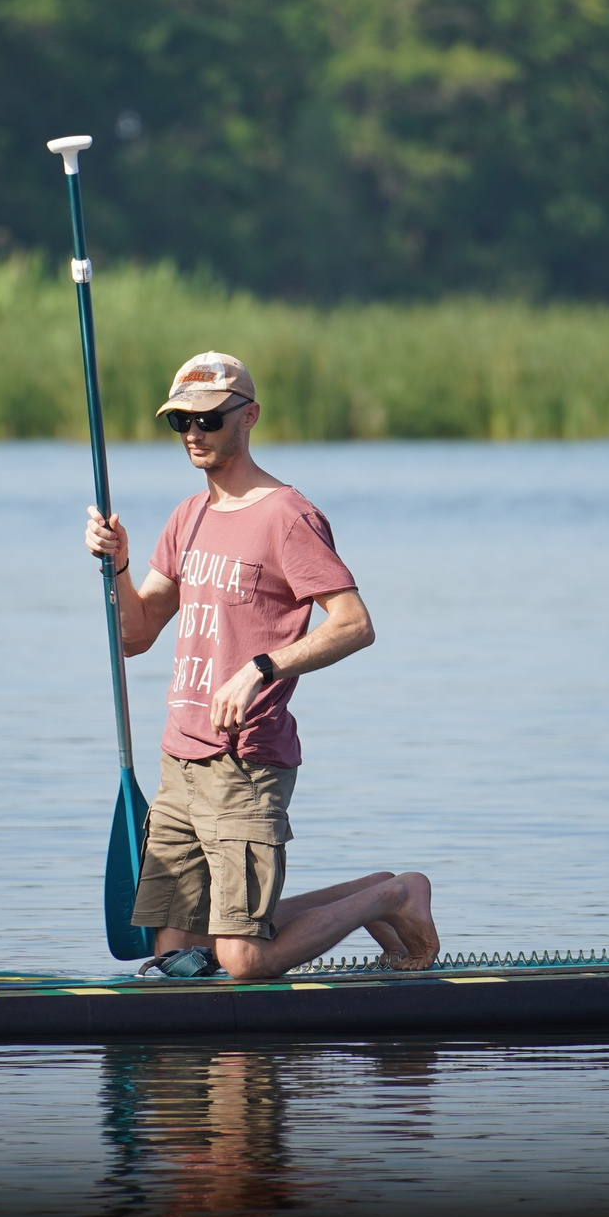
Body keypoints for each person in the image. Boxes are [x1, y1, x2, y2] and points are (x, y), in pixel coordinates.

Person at [85, 350, 440, 981]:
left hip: (245, 764)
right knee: (176, 956)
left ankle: (393, 897)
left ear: (248, 417)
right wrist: (117, 564)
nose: (193, 434)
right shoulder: (187, 517)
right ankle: (374, 889)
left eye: (209, 420)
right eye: (181, 422)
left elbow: (354, 624)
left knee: (242, 959)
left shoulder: (287, 516)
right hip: (178, 761)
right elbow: (135, 636)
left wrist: (261, 668)